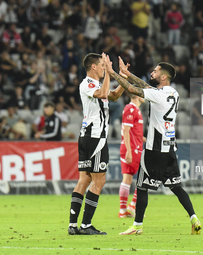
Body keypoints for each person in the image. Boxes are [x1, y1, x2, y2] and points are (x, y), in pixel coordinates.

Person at [109, 57, 202, 235]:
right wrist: (128, 74)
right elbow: (146, 87)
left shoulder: (158, 95)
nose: (153, 72)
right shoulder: (173, 93)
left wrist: (113, 73)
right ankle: (194, 218)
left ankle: (137, 225)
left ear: (164, 77)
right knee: (176, 187)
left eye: (156, 71)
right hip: (170, 149)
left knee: (142, 187)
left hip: (155, 149)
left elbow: (131, 89)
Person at [68, 53, 124, 235]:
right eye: (101, 65)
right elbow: (102, 93)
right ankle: (85, 225)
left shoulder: (97, 85)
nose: (103, 68)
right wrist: (109, 72)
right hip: (96, 138)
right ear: (93, 66)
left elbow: (113, 96)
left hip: (87, 136)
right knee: (99, 180)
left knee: (85, 179)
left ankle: (73, 225)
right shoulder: (88, 84)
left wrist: (122, 77)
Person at [119, 93, 145, 218]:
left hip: (135, 147)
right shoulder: (131, 108)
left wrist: (145, 139)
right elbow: (126, 130)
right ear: (137, 95)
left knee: (128, 178)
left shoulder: (135, 110)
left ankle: (123, 211)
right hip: (132, 148)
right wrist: (129, 151)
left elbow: (135, 132)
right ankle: (133, 205)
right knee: (143, 177)